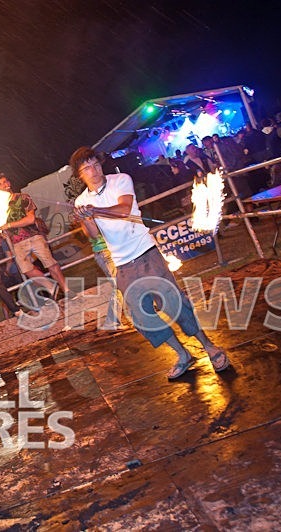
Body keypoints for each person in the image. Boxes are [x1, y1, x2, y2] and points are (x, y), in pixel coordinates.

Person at [69, 146, 230, 379]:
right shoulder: (81, 200)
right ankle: (183, 354)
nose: (93, 171)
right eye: (86, 168)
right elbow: (94, 235)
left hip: (145, 252)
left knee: (173, 303)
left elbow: (124, 210)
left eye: (95, 164)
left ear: (100, 163)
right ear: (80, 175)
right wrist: (86, 218)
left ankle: (209, 347)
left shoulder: (120, 180)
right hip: (122, 263)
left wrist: (96, 210)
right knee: (142, 317)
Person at [0, 173, 73, 298]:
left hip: (34, 236)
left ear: (9, 183)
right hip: (17, 243)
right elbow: (0, 226)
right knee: (26, 270)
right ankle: (52, 287)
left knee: (51, 264)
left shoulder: (23, 197)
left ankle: (67, 290)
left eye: (4, 182)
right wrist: (2, 232)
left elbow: (30, 219)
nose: (3, 186)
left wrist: (9, 226)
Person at [77, 221, 126, 331]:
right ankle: (112, 322)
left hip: (107, 251)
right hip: (105, 252)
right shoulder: (88, 216)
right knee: (119, 286)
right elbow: (93, 234)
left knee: (122, 284)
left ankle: (113, 321)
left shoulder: (87, 215)